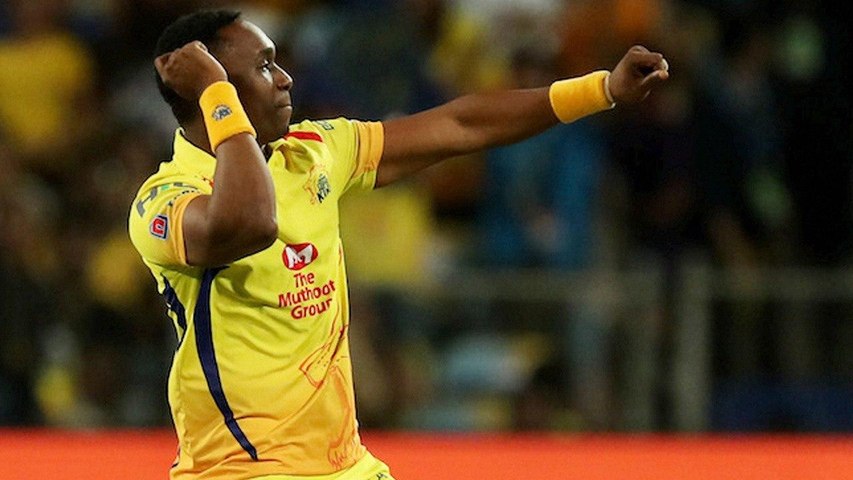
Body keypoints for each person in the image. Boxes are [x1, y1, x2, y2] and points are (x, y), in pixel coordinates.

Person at [127, 8, 668, 480]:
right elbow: (252, 221)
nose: (286, 79)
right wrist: (217, 94)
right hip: (242, 470)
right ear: (212, 91)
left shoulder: (312, 152)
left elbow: (460, 124)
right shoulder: (167, 199)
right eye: (265, 66)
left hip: (347, 466)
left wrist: (600, 90)